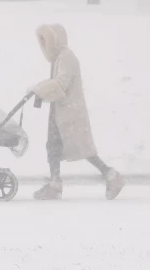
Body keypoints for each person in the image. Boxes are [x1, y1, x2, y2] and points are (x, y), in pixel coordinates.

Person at [27, 23, 125, 200]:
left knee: (83, 149)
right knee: (53, 147)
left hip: (70, 113)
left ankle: (112, 176)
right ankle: (55, 184)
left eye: (46, 41)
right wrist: (39, 89)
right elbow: (55, 82)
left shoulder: (67, 58)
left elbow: (61, 84)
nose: (45, 46)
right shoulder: (58, 59)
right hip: (60, 111)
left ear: (55, 40)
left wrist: (39, 90)